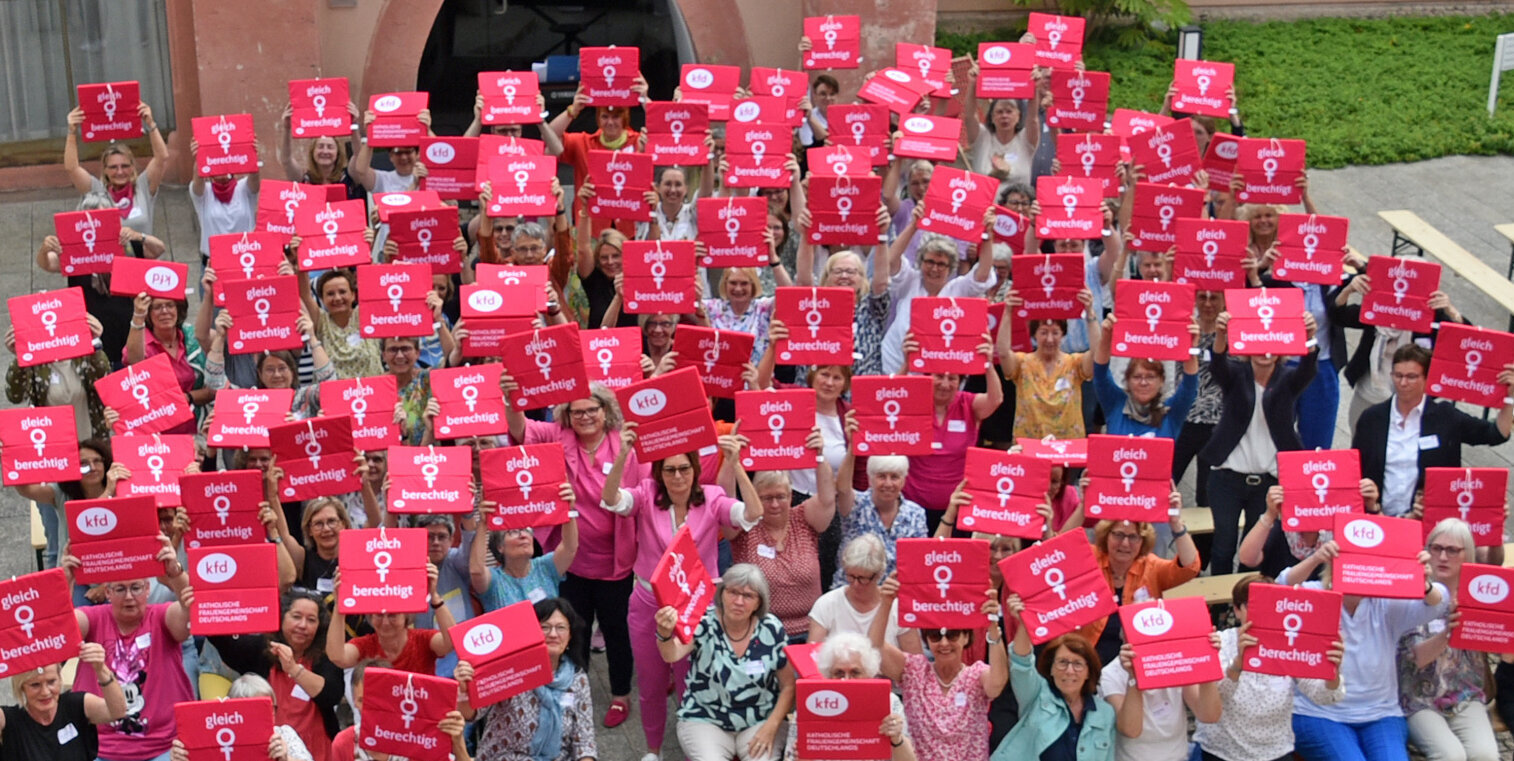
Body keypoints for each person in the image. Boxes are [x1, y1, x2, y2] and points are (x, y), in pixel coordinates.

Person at [602, 423, 765, 761]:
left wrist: (735, 465)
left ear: (694, 469)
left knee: (693, 684)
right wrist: (621, 456)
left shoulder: (712, 498)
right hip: (649, 601)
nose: (678, 476)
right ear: (660, 473)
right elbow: (611, 499)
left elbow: (752, 514)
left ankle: (696, 750)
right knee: (650, 682)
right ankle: (653, 750)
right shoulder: (647, 494)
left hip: (698, 605)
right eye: (670, 470)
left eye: (684, 468)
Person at [503, 382, 644, 728]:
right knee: (572, 629)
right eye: (577, 411)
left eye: (591, 409)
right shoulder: (557, 435)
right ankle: (574, 690)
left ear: (605, 410)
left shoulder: (624, 442)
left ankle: (621, 694)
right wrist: (512, 398)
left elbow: (640, 491)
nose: (584, 417)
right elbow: (520, 429)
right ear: (566, 414)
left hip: (615, 561)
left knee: (616, 631)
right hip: (571, 559)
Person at [1276, 539, 1449, 761]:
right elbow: (1279, 588)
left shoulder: (1387, 603)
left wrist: (1423, 582)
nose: (1358, 570)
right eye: (1350, 563)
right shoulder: (1317, 594)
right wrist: (1317, 557)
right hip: (1319, 713)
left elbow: (1438, 603)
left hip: (1381, 713)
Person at [1202, 310, 1319, 575]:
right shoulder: (1235, 375)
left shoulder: (1288, 380)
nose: (1264, 352)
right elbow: (1217, 365)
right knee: (1223, 544)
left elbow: (1308, 369)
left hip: (1267, 482)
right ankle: (1220, 609)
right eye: (1258, 344)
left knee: (1254, 550)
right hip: (1227, 479)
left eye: (1271, 346)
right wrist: (1221, 335)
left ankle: (1245, 600)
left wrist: (1309, 337)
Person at [1194, 575, 1346, 761]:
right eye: (1254, 607)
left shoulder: (1291, 644)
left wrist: (1332, 672)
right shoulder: (1221, 642)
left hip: (1275, 751)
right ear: (1237, 610)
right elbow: (1214, 701)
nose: (1263, 614)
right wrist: (1239, 663)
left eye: (1270, 606)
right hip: (1223, 751)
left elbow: (1322, 697)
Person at [1352, 343, 1513, 518]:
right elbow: (1355, 468)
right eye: (1398, 376)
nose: (1403, 383)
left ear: (1427, 378)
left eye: (1411, 377)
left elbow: (1496, 434)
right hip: (1378, 516)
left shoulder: (1445, 417)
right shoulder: (1372, 419)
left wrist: (1510, 398)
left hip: (1427, 521)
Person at [656, 564, 795, 761]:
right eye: (733, 592)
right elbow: (671, 654)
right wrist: (664, 634)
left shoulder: (771, 628)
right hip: (705, 717)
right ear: (721, 594)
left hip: (759, 718)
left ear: (758, 603)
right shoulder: (704, 621)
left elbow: (789, 685)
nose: (738, 601)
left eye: (748, 596)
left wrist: (771, 727)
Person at [869, 573, 1009, 761]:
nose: (944, 643)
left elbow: (998, 682)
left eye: (952, 635)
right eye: (935, 635)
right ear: (927, 639)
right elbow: (874, 648)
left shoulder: (976, 675)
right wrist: (886, 603)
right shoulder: (914, 671)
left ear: (966, 637)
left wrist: (992, 625)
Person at [1398, 519, 1503, 761]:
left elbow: (1501, 649)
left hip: (1466, 695)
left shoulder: (1480, 596)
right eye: (1436, 548)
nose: (1443, 556)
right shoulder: (1414, 595)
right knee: (1450, 756)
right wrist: (1449, 632)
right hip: (1418, 699)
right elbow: (1416, 660)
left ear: (1468, 554)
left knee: (1485, 755)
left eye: (1452, 550)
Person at [64, 571, 194, 761]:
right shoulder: (93, 618)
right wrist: (68, 578)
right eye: (120, 589)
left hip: (162, 747)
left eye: (136, 588)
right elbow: (61, 630)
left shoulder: (161, 617)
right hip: (100, 748)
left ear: (147, 589)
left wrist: (175, 572)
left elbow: (188, 610)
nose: (129, 597)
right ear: (107, 592)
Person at [207, 589, 344, 760]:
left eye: (311, 620)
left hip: (318, 751)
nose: (303, 625)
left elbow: (331, 695)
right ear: (281, 617)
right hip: (267, 751)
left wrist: (294, 670)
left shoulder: (326, 656)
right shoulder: (260, 648)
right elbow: (223, 641)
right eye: (296, 616)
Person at [457, 597, 599, 761]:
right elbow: (472, 713)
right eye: (545, 627)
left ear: (570, 636)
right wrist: (465, 689)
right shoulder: (511, 669)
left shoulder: (577, 678)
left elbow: (585, 741)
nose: (553, 634)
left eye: (560, 628)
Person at [1074, 498, 1201, 670]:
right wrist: (1083, 505)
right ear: (1106, 535)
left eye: (1133, 537)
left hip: (1135, 663)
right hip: (1086, 660)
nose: (1125, 543)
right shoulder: (1090, 557)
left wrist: (1176, 524)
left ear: (1143, 541)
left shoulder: (1151, 566)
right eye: (1118, 534)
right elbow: (1055, 547)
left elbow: (1190, 567)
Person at [896, 338, 1003, 531]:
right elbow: (891, 395)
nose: (945, 384)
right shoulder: (913, 402)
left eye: (952, 378)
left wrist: (987, 364)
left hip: (957, 507)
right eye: (939, 376)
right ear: (928, 377)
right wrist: (906, 363)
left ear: (960, 382)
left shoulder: (968, 405)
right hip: (914, 506)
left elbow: (996, 399)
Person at [730, 457, 836, 641]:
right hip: (760, 633)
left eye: (780, 497)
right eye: (767, 498)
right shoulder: (747, 524)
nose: (775, 504)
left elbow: (827, 499)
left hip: (810, 631)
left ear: (790, 496)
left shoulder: (803, 518)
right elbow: (726, 495)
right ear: (755, 497)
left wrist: (818, 457)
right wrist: (732, 460)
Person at [994, 605, 1116, 761]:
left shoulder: (1105, 713)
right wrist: (1024, 624)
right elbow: (1021, 664)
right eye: (1062, 662)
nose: (1070, 671)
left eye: (1078, 664)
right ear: (1050, 669)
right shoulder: (1036, 695)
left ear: (1088, 672)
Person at [782, 632, 916, 761]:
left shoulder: (889, 701)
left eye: (855, 672)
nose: (846, 680)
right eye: (839, 673)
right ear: (828, 675)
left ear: (868, 673)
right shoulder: (811, 703)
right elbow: (790, 757)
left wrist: (897, 739)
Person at [998, 289, 1100, 440]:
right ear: (1034, 334)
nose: (1050, 339)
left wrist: (1090, 312)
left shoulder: (1074, 364)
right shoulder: (1022, 364)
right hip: (1029, 448)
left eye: (1055, 333)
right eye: (1044, 332)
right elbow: (1003, 352)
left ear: (1063, 334)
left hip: (1067, 450)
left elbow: (1097, 354)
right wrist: (1008, 312)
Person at [0, 643, 126, 761]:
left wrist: (101, 669)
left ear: (60, 680)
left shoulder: (75, 705)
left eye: (51, 682)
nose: (45, 692)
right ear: (22, 687)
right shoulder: (10, 719)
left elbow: (118, 711)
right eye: (35, 685)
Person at [1102, 638, 1223, 761]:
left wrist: (1208, 663)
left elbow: (1209, 716)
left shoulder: (1175, 661)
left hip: (1179, 757)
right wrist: (1135, 676)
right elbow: (1131, 730)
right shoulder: (1111, 673)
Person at [325, 562, 455, 674]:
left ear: (406, 616)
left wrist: (434, 595)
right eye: (379, 615)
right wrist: (340, 605)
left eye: (393, 615)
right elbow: (337, 656)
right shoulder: (365, 645)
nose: (385, 622)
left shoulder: (423, 640)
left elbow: (452, 642)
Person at [330, 659, 470, 761]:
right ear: (354, 701)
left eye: (379, 701)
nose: (371, 709)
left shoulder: (420, 740)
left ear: (396, 699)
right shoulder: (344, 743)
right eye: (363, 700)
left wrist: (458, 744)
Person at [63, 103, 168, 235]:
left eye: (125, 166)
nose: (120, 172)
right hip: (110, 256)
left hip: (145, 255)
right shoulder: (97, 191)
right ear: (105, 170)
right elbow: (72, 168)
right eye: (113, 167)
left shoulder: (143, 187)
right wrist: (72, 131)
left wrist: (150, 124)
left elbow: (161, 158)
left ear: (132, 167)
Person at [808, 534, 923, 653]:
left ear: (879, 574)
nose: (856, 584)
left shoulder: (898, 607)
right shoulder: (826, 604)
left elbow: (916, 660)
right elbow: (812, 656)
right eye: (851, 576)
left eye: (863, 579)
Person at [833, 447, 929, 588]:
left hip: (895, 595)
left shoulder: (916, 513)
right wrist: (853, 447)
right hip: (853, 590)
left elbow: (921, 558)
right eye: (881, 476)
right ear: (870, 479)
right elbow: (842, 488)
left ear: (903, 481)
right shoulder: (856, 504)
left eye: (894, 477)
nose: (888, 483)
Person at [1092, 317, 1200, 438]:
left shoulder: (1172, 411)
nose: (1143, 383)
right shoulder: (1115, 404)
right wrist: (1106, 337)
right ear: (1127, 380)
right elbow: (1100, 374)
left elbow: (1189, 386)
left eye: (1150, 377)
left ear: (1161, 381)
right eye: (1137, 377)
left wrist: (1190, 348)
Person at [476, 488, 579, 611]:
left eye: (527, 530)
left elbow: (570, 547)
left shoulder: (545, 566)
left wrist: (568, 509)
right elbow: (476, 570)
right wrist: (483, 523)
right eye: (513, 532)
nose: (523, 535)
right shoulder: (494, 580)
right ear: (500, 547)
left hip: (546, 630)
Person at [123, 293, 210, 435]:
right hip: (157, 433)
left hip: (194, 429)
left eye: (170, 305)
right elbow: (133, 361)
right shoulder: (141, 344)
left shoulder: (192, 338)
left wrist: (188, 397)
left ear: (178, 309)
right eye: (157, 307)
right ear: (148, 314)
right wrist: (138, 315)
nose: (165, 311)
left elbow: (213, 390)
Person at [962, 55, 1044, 185]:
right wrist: (972, 83)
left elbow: (1033, 119)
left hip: (1018, 204)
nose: (1004, 116)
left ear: (1018, 116)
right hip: (986, 204)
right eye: (999, 112)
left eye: (1009, 111)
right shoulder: (982, 138)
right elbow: (969, 116)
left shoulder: (1025, 140)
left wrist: (1034, 87)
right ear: (992, 118)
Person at [187, 143, 259, 261]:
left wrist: (252, 154)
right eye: (217, 162)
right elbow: (197, 180)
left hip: (243, 258)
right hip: (213, 263)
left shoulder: (244, 188)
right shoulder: (205, 192)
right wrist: (200, 157)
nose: (221, 167)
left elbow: (255, 178)